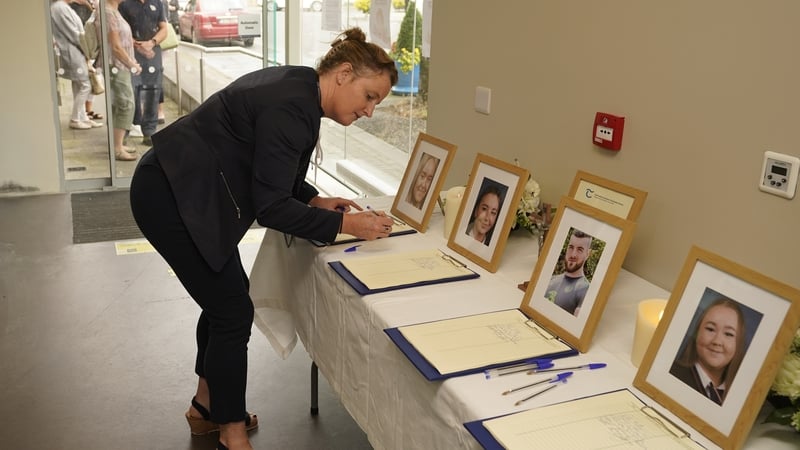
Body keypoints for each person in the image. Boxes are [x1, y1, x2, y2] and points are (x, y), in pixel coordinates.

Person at [129, 27, 397, 450]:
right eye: (370, 96)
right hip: (172, 196)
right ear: (344, 74)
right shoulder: (295, 107)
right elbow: (271, 207)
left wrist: (315, 199)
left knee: (223, 301)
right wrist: (347, 226)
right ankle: (231, 431)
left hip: (188, 190)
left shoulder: (299, 88)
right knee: (232, 311)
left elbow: (273, 171)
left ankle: (205, 410)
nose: (369, 111)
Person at [669, 297, 746, 406]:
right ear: (697, 333)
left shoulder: (737, 401)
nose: (717, 341)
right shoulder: (672, 373)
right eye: (710, 329)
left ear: (738, 344)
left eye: (728, 334)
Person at [119, 0, 167, 146]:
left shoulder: (157, 3)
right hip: (131, 52)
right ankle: (124, 132)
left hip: (153, 51)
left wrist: (152, 43)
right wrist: (139, 47)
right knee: (131, 91)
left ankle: (149, 132)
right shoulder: (124, 4)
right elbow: (120, 30)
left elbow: (164, 28)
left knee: (152, 92)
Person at [51, 0, 103, 130]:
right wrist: (87, 48)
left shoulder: (62, 7)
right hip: (73, 51)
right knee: (85, 84)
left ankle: (82, 116)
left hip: (76, 50)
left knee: (78, 84)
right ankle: (75, 118)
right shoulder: (59, 8)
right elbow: (73, 33)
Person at [101, 0, 143, 160]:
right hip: (117, 66)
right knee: (126, 105)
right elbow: (116, 47)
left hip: (119, 65)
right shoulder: (108, 12)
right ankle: (117, 148)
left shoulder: (113, 10)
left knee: (119, 105)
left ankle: (117, 145)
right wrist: (132, 64)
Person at [546, 229, 592, 316]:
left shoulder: (585, 290)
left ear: (588, 254)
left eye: (579, 250)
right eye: (571, 247)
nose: (573, 255)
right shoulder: (551, 279)